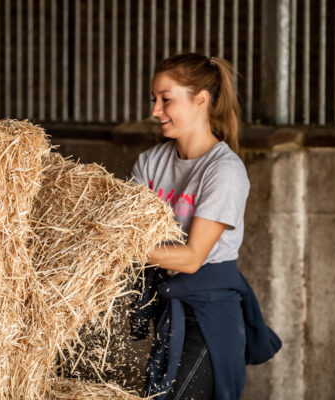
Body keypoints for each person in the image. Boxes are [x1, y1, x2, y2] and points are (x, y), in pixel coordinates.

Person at [129, 53, 281, 400]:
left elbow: (192, 257)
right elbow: (127, 227)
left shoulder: (223, 171)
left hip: (210, 318)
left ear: (201, 99)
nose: (155, 110)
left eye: (166, 100)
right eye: (154, 99)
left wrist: (117, 249)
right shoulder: (150, 162)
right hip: (170, 310)